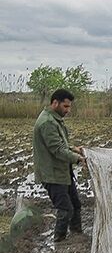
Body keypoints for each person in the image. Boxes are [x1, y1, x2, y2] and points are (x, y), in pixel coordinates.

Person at [33, 88, 87, 243]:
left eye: (69, 106)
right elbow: (57, 150)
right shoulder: (47, 123)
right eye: (66, 106)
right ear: (55, 103)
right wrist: (78, 159)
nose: (68, 110)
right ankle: (60, 240)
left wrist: (74, 149)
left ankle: (77, 235)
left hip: (62, 172)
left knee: (76, 204)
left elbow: (61, 145)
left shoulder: (54, 119)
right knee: (65, 209)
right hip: (52, 174)